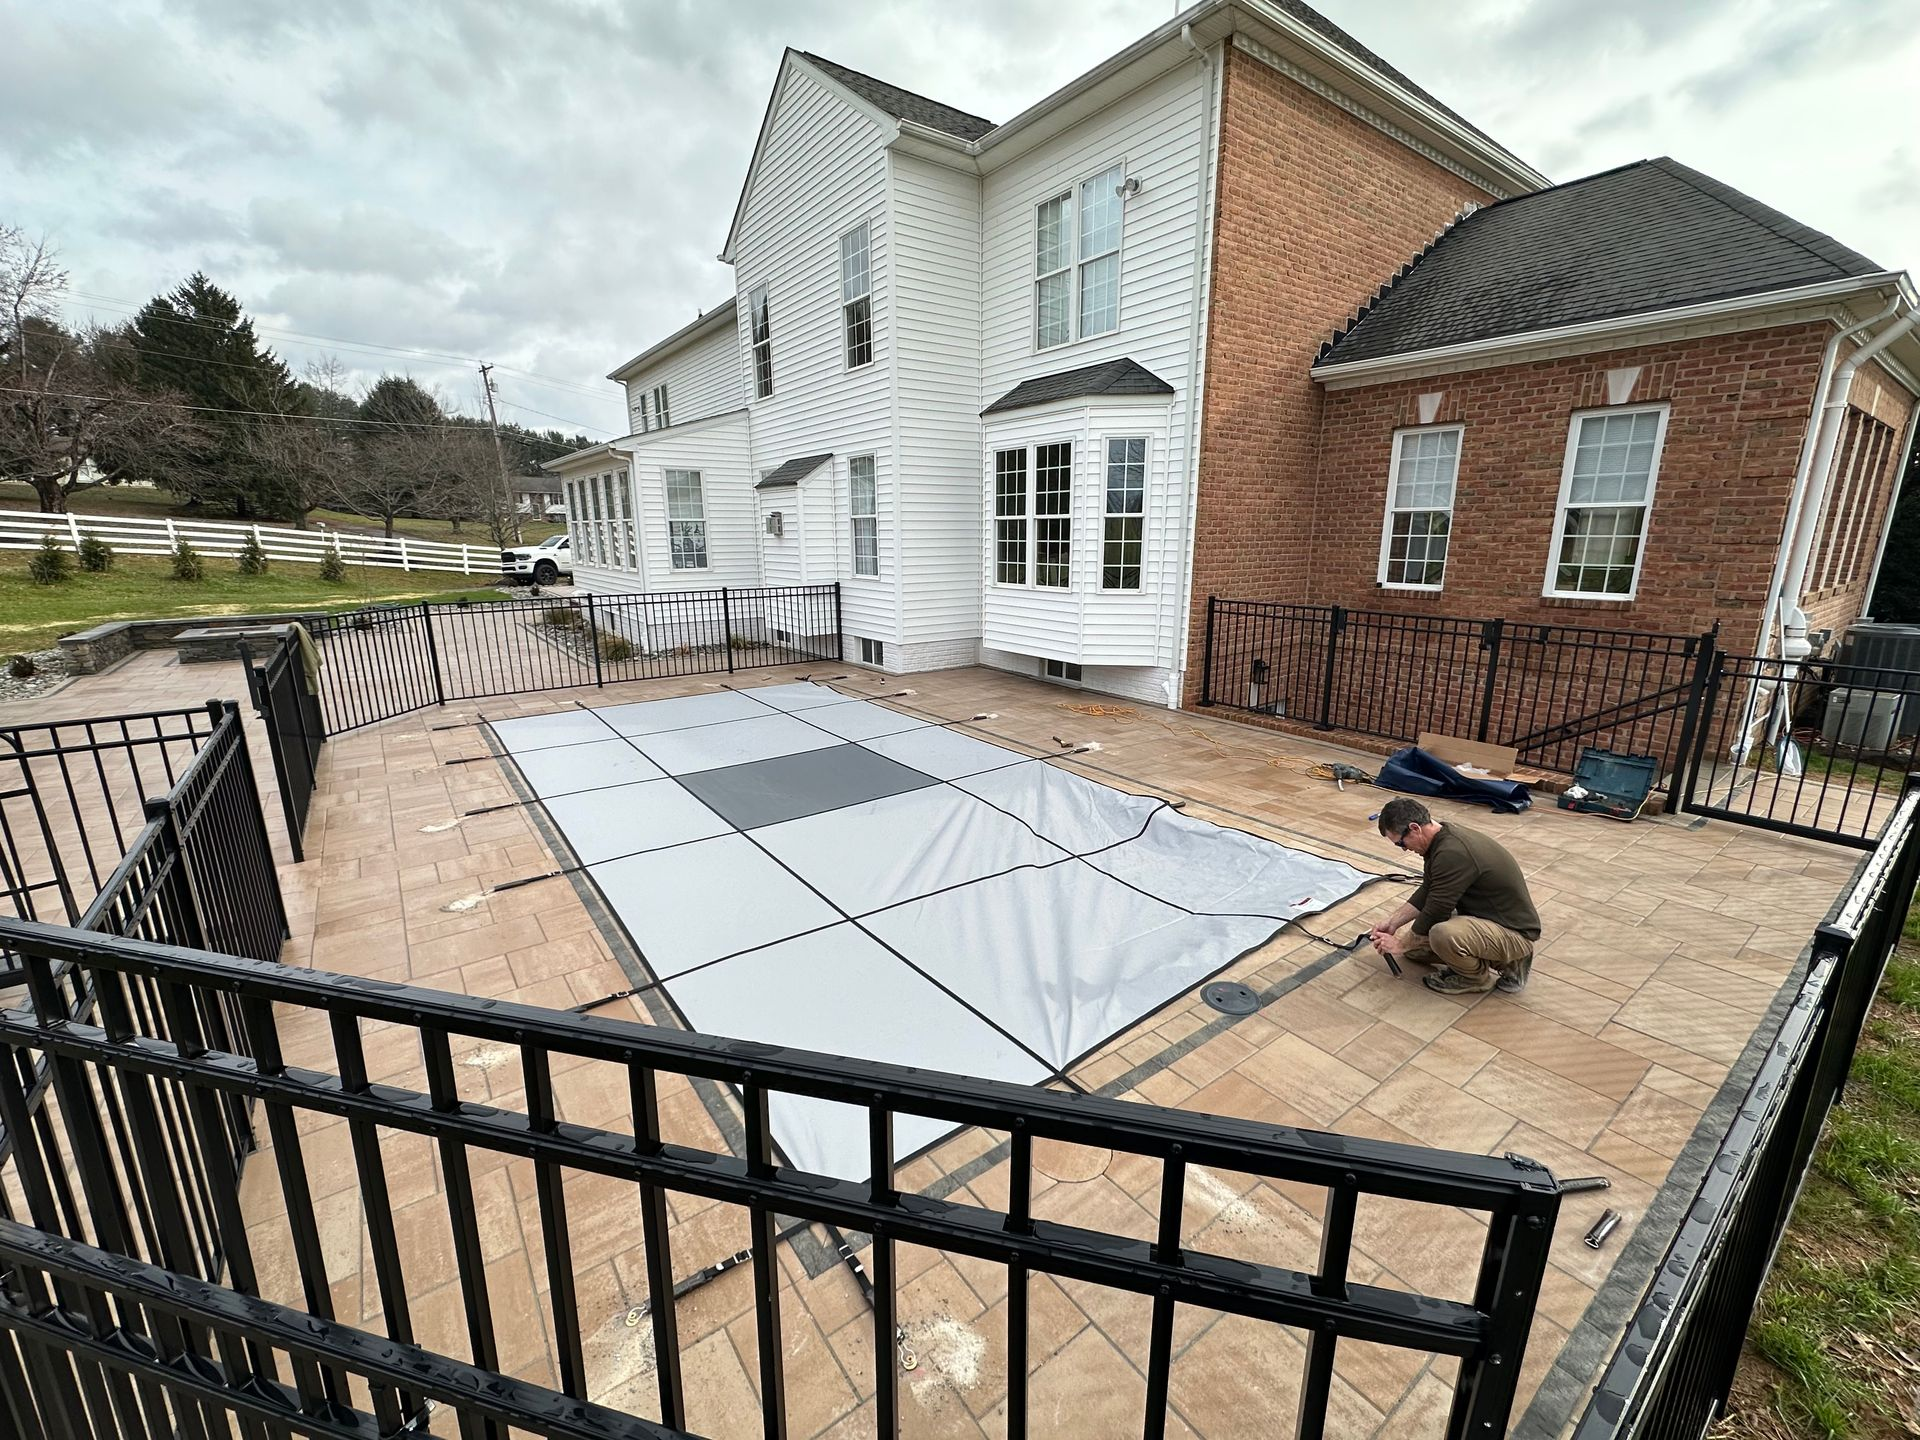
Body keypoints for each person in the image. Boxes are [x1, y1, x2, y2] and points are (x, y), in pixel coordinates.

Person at [1369, 798, 1540, 995]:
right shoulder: (1440, 840)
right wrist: (1393, 923)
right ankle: (1486, 957)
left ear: (1415, 828)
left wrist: (1400, 944)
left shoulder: (1452, 852)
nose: (1404, 849)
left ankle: (1478, 977)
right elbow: (1429, 890)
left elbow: (1437, 908)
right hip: (1488, 920)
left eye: (1401, 843)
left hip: (1515, 932)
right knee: (1415, 950)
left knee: (1441, 934)